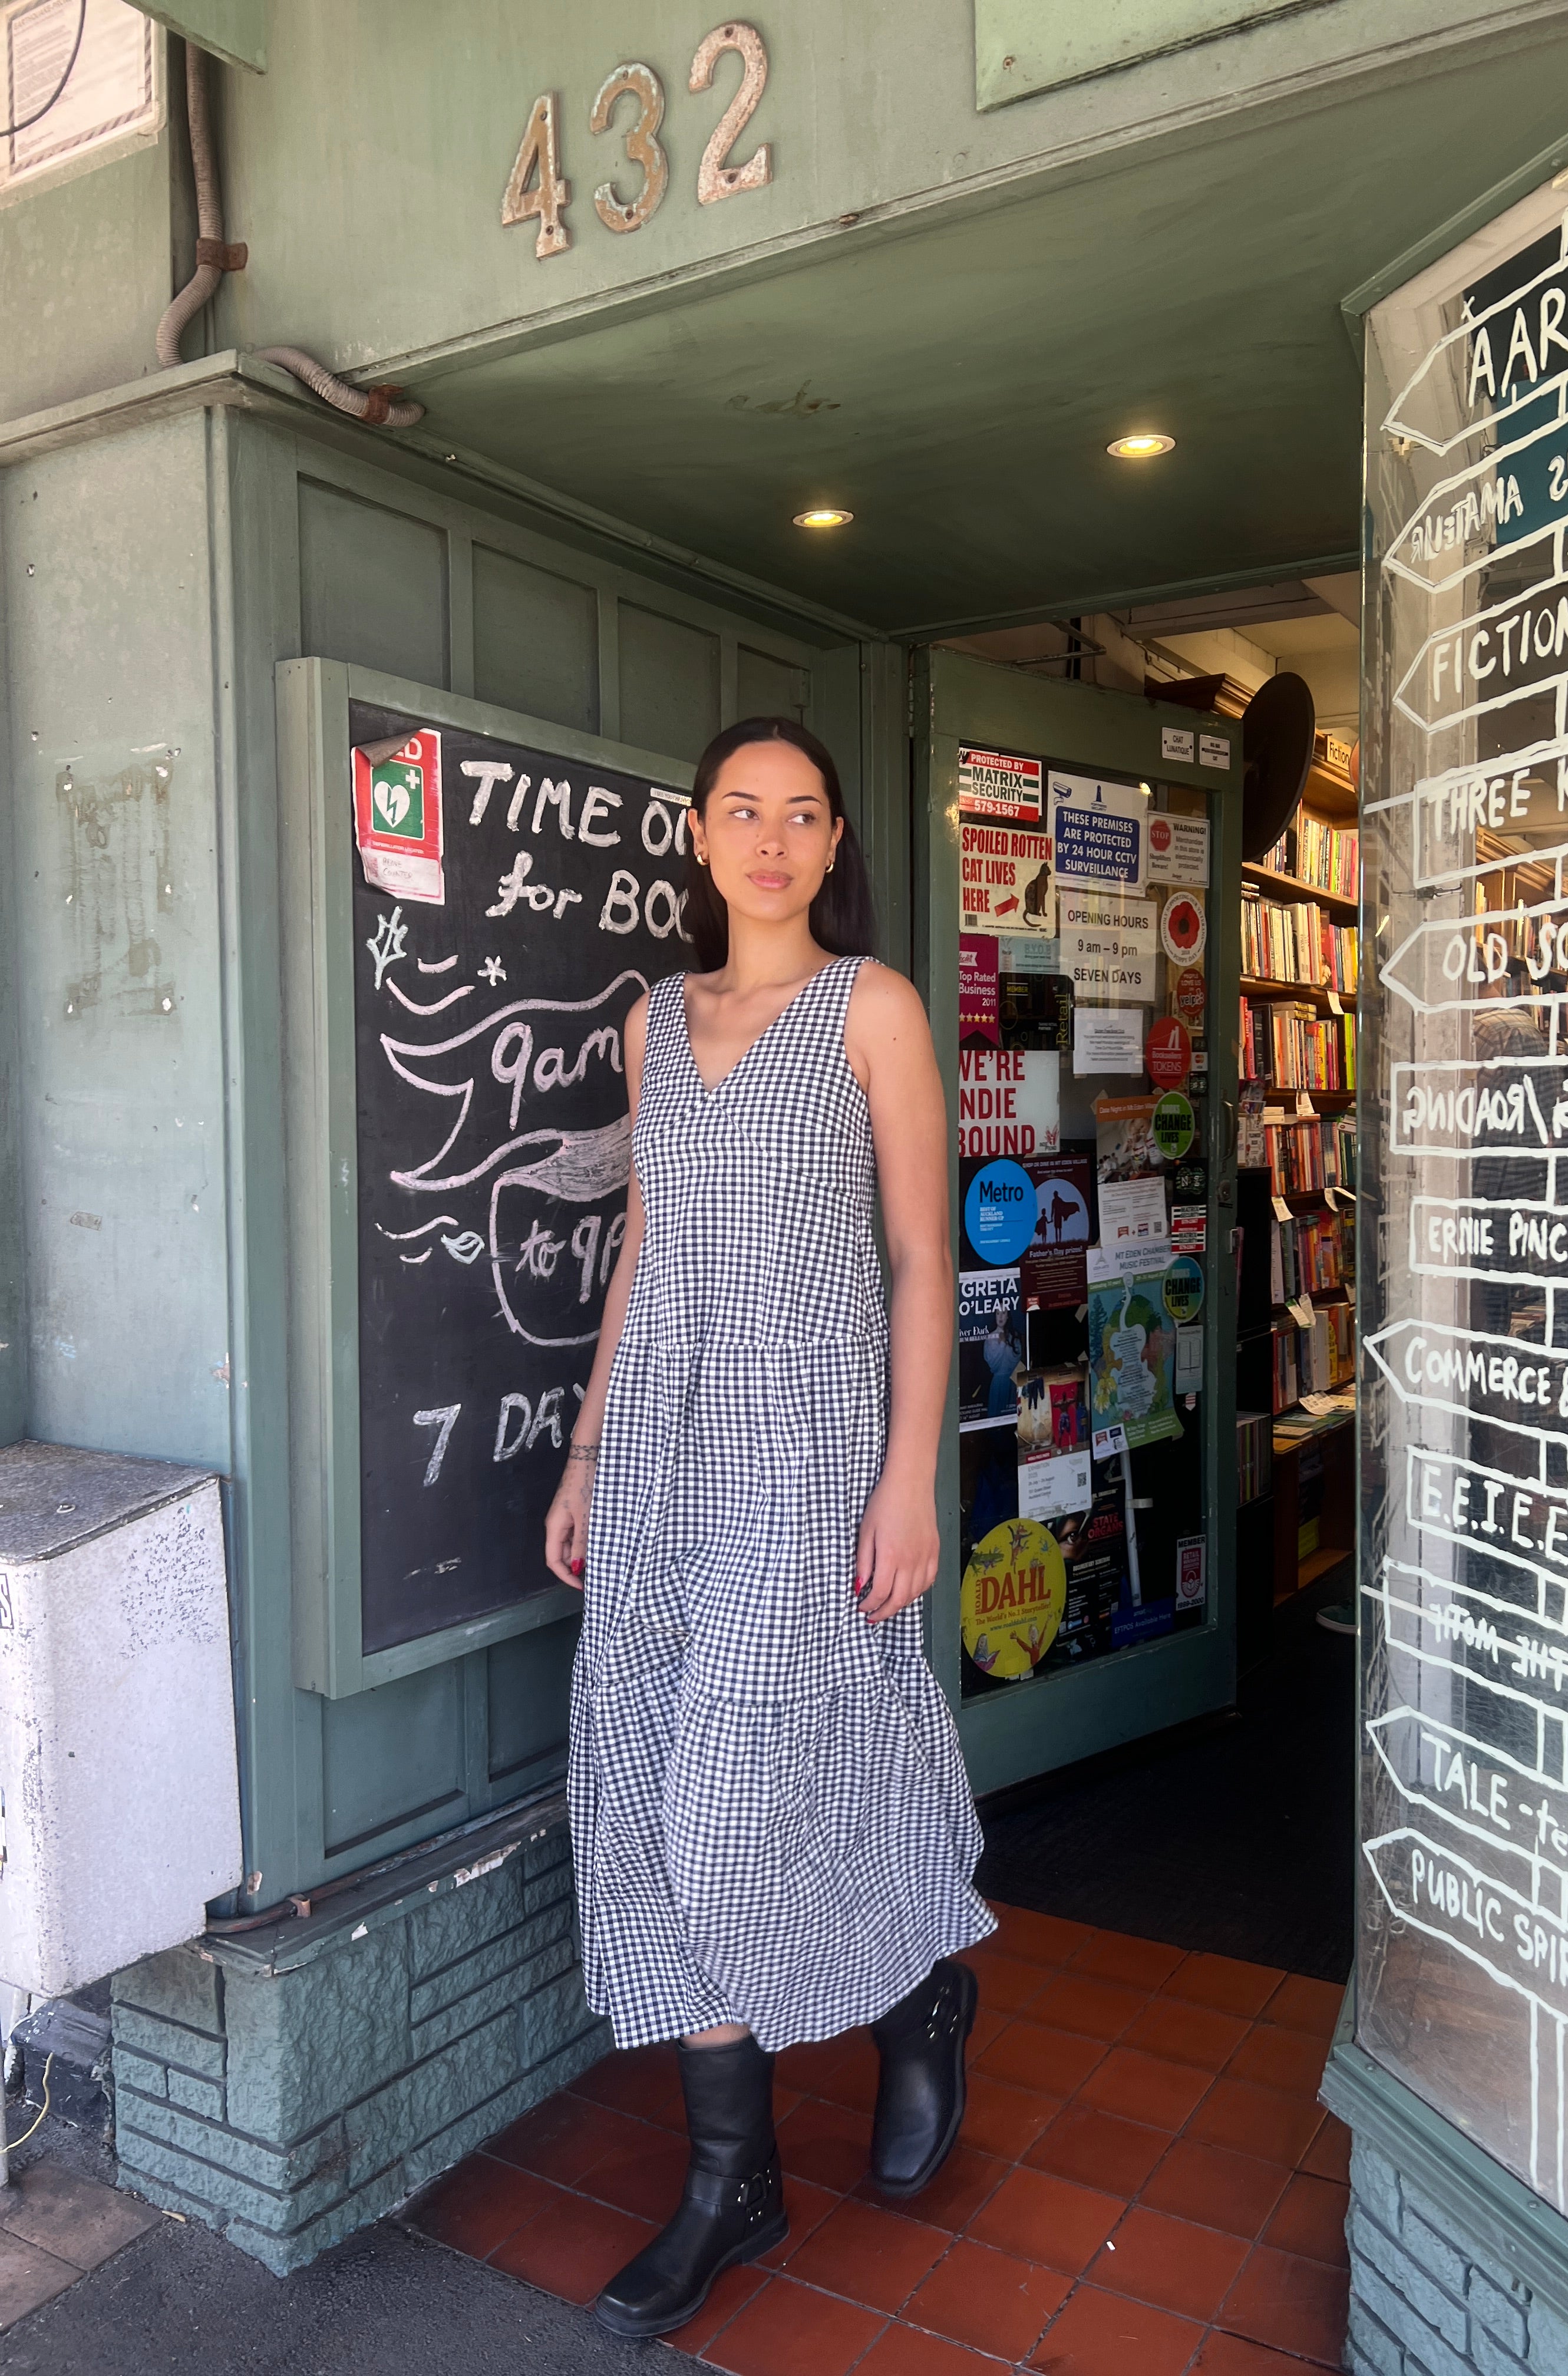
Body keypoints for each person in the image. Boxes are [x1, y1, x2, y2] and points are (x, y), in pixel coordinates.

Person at [543, 716, 993, 2341]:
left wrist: (908, 1476)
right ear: (699, 834)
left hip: (808, 1451)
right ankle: (735, 2176)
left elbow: (923, 1260)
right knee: (649, 1771)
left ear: (833, 843)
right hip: (660, 1457)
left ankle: (919, 1988)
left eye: (804, 814)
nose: (773, 839)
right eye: (743, 810)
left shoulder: (874, 1008)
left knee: (763, 1771)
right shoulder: (655, 1021)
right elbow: (647, 1245)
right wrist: (586, 1450)